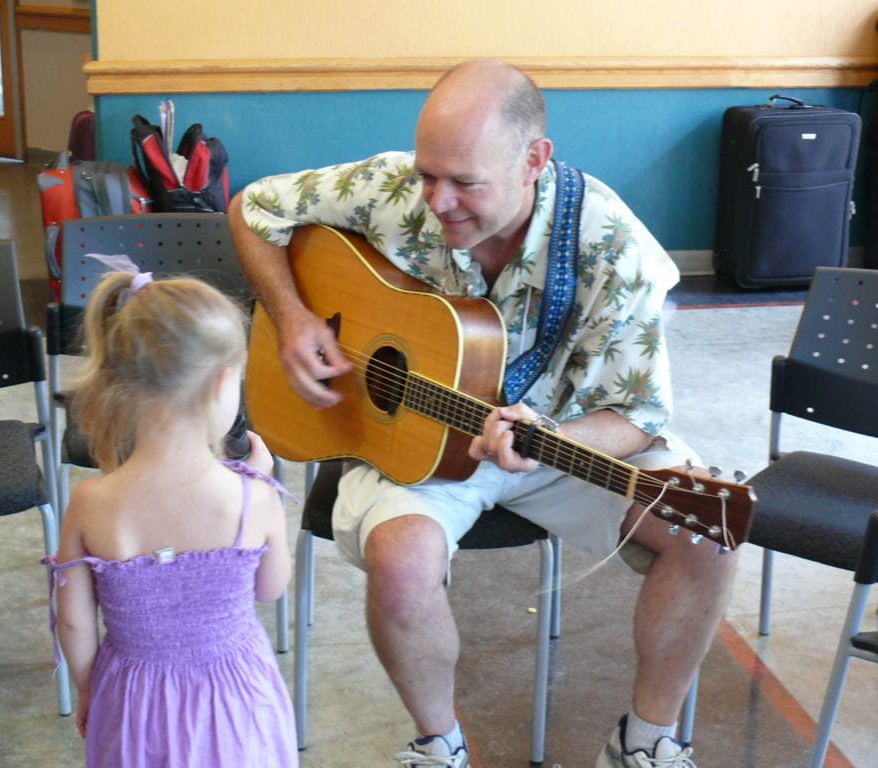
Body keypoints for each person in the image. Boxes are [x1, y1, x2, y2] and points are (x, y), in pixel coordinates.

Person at [229, 59, 736, 768]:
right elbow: (253, 209)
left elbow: (641, 412)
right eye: (429, 173)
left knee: (704, 533)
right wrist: (289, 318)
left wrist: (552, 436)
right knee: (401, 563)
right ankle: (439, 745)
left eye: (465, 183)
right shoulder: (391, 187)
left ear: (534, 161)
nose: (437, 201)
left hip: (566, 435)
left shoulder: (615, 249)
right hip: (420, 444)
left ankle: (645, 741)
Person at [43, 260, 297, 768]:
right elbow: (269, 589)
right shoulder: (254, 499)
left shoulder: (92, 501)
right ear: (224, 383)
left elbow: (71, 621)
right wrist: (259, 478)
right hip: (234, 701)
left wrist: (90, 688)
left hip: (133, 699)